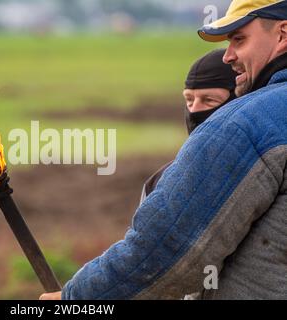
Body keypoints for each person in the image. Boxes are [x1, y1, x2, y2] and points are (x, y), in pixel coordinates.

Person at [41, 0, 287, 300]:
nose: (228, 56)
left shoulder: (247, 123)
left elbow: (167, 254)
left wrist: (75, 300)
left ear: (282, 34)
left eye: (239, 39)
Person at [140, 49, 238, 205]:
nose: (194, 110)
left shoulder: (264, 174)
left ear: (239, 101)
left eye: (209, 100)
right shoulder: (158, 183)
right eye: (189, 100)